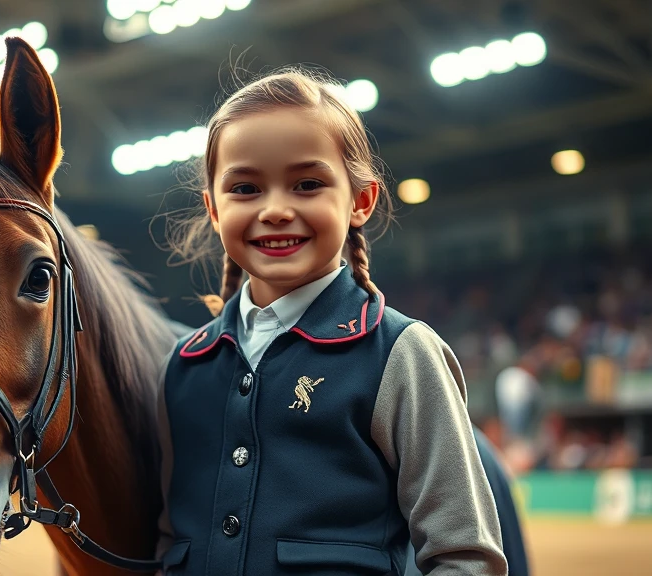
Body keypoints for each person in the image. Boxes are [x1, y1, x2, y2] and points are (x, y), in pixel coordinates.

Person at [154, 68, 508, 575]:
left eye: (307, 183)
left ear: (360, 200)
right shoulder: (182, 368)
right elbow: (169, 540)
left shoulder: (401, 353)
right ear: (213, 208)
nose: (275, 209)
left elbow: (463, 556)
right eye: (246, 188)